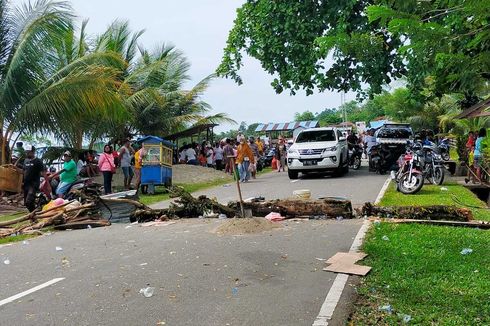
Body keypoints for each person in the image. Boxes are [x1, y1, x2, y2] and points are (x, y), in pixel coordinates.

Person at [22, 146, 45, 212]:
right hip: (26, 184)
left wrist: (47, 183)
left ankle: (34, 215)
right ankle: (34, 216)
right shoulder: (25, 160)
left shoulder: (38, 161)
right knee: (27, 204)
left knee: (28, 201)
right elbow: (23, 171)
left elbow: (43, 172)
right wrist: (15, 168)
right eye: (26, 152)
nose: (27, 153)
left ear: (33, 152)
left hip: (33, 184)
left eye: (28, 152)